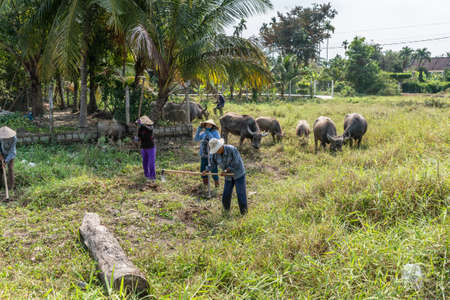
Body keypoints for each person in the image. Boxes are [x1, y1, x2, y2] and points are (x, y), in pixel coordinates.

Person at [203, 138, 248, 215]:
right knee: (226, 194)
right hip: (228, 177)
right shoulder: (214, 154)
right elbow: (213, 164)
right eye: (215, 150)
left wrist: (226, 170)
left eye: (218, 149)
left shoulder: (232, 149)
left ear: (221, 146)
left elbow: (236, 162)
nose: (217, 151)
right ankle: (226, 212)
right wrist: (207, 170)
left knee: (240, 193)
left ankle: (244, 213)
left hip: (238, 174)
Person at [194, 119, 220, 189]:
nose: (208, 126)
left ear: (212, 126)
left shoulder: (215, 133)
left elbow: (216, 141)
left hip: (212, 155)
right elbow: (196, 139)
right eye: (207, 125)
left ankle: (217, 185)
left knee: (213, 169)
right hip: (204, 154)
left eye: (210, 125)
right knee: (203, 170)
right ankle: (205, 185)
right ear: (205, 125)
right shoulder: (203, 133)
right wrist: (199, 129)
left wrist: (209, 133)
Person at [136, 116, 156, 184]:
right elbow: (139, 137)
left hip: (150, 147)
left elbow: (149, 131)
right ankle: (147, 175)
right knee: (145, 162)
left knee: (151, 163)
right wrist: (137, 138)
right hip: (143, 147)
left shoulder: (150, 127)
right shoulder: (140, 128)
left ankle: (152, 177)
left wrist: (143, 124)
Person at [0, 126, 17, 194]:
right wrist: (0, 156)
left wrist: (6, 161)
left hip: (10, 155)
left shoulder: (14, 138)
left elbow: (12, 151)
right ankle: (0, 185)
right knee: (0, 169)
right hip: (2, 154)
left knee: (10, 169)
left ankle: (10, 186)